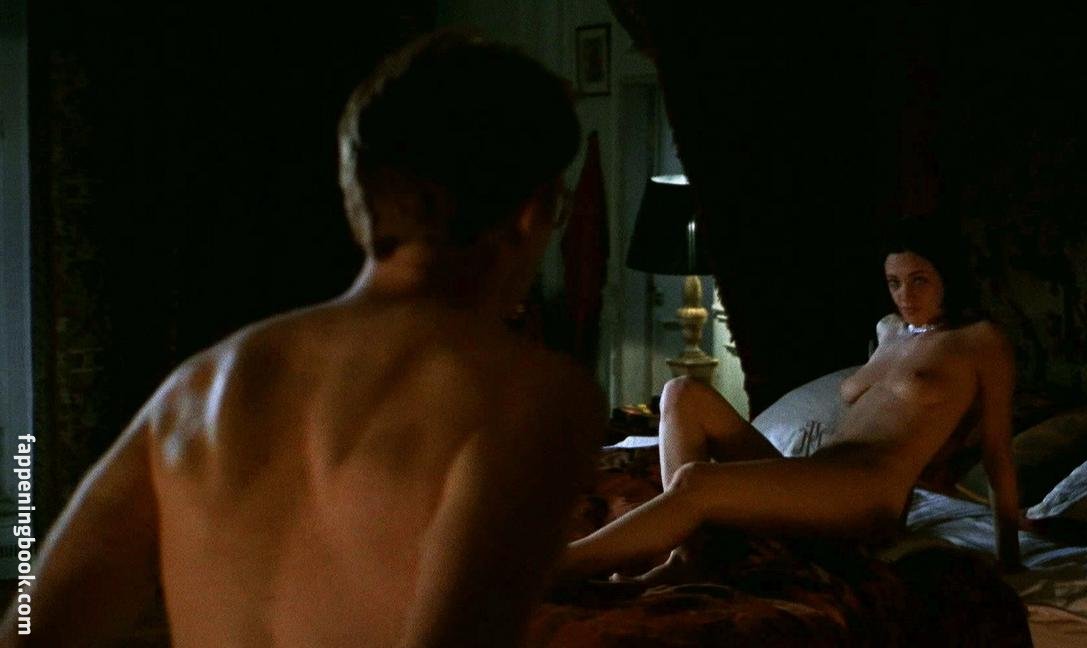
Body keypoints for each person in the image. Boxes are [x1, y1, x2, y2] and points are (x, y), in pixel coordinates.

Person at [2, 30, 601, 647]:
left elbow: (28, 630)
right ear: (533, 210)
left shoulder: (197, 390)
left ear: (358, 196)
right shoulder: (531, 395)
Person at [559, 216, 1021, 584]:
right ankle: (688, 555)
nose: (905, 296)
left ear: (948, 277)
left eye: (919, 281)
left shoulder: (981, 341)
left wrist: (1010, 560)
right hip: (819, 474)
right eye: (894, 282)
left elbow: (997, 455)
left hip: (869, 497)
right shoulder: (888, 331)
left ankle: (560, 566)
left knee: (698, 481)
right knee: (683, 393)